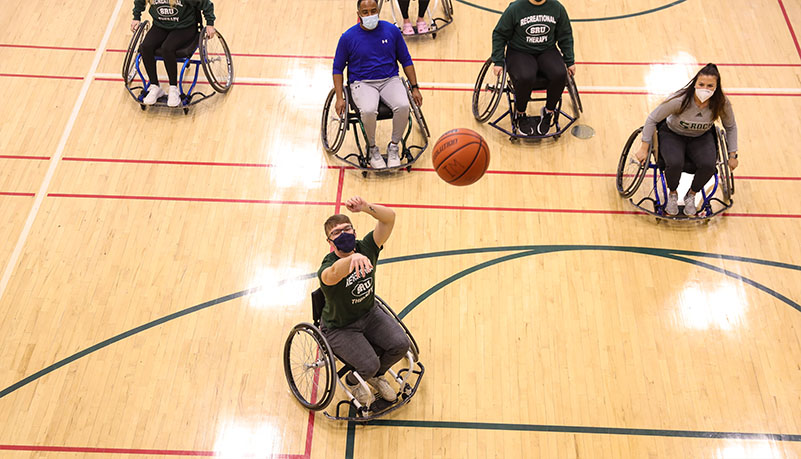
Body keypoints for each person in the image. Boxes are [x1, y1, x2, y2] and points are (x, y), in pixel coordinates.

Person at [317, 196, 409, 407]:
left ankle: (377, 376)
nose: (344, 234)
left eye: (347, 229)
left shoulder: (366, 247)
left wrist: (365, 207)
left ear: (355, 232)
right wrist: (350, 259)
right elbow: (330, 275)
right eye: (336, 232)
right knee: (368, 364)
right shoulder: (328, 265)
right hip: (340, 328)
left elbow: (389, 218)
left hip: (369, 313)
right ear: (330, 242)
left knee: (401, 345)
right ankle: (353, 381)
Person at [635, 64, 739, 216]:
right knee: (675, 163)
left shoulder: (721, 103)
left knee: (708, 165)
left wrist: (732, 155)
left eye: (710, 86)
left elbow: (731, 127)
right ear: (695, 83)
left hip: (700, 137)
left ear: (717, 87)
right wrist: (644, 148)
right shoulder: (680, 100)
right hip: (673, 134)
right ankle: (672, 194)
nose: (705, 88)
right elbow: (652, 119)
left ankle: (691, 195)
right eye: (701, 84)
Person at [333, 0, 424, 169]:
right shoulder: (347, 38)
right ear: (358, 14)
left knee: (404, 106)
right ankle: (373, 148)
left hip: (390, 79)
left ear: (378, 11)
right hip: (362, 83)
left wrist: (415, 87)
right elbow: (337, 69)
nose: (370, 15)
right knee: (368, 111)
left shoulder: (391, 31)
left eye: (373, 11)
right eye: (365, 12)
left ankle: (394, 147)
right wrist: (339, 98)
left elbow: (406, 60)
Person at [491, 0, 575, 135]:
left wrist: (570, 61)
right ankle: (520, 113)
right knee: (526, 76)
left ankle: (548, 112)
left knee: (560, 73)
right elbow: (499, 34)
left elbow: (565, 35)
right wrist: (498, 61)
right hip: (519, 51)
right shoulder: (516, 8)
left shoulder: (557, 8)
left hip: (547, 50)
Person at [131, 0, 216, 107]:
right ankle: (155, 86)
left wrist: (210, 23)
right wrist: (136, 17)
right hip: (160, 25)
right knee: (145, 47)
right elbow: (139, 1)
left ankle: (173, 89)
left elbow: (205, 4)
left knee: (167, 48)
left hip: (185, 27)